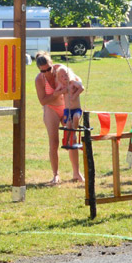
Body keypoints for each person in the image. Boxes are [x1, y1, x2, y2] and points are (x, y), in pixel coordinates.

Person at [34, 51, 84, 185]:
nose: (47, 73)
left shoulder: (61, 69)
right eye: (43, 71)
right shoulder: (39, 79)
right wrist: (58, 94)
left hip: (66, 107)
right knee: (54, 141)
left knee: (72, 137)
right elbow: (43, 101)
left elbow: (76, 80)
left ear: (52, 63)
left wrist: (74, 88)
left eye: (48, 69)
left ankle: (76, 172)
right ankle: (55, 174)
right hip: (51, 109)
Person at [59, 67, 84, 150]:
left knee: (76, 117)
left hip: (76, 109)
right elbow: (55, 93)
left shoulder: (73, 83)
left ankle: (74, 135)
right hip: (68, 110)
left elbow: (81, 88)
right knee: (68, 124)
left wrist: (75, 95)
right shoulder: (62, 86)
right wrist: (63, 91)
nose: (64, 77)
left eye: (66, 75)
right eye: (62, 76)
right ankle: (66, 141)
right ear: (59, 79)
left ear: (70, 75)